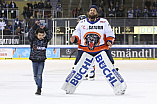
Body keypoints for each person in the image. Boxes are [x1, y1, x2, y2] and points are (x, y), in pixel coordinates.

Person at [28, 21, 52, 95]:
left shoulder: (45, 40)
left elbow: (50, 35)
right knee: (35, 76)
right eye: (39, 35)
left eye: (42, 35)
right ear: (36, 35)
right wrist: (35, 25)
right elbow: (30, 34)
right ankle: (38, 85)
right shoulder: (33, 40)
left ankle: (39, 88)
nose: (41, 36)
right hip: (34, 60)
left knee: (39, 75)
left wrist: (44, 27)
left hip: (41, 60)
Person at [72, 15, 96, 80]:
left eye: (79, 20)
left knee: (90, 58)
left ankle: (91, 71)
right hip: (81, 46)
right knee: (80, 59)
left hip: (89, 46)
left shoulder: (89, 27)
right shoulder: (79, 27)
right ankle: (84, 72)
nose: (78, 21)